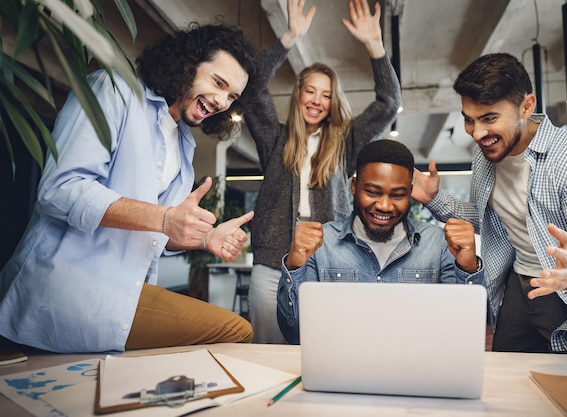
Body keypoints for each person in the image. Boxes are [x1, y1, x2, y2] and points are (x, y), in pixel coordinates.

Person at [0, 24, 259, 353]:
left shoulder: (183, 145)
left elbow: (159, 235)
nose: (222, 101)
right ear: (186, 65)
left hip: (126, 293)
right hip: (68, 289)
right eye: (218, 83)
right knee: (237, 330)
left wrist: (205, 237)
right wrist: (165, 218)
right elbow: (60, 189)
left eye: (232, 96)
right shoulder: (112, 89)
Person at [412, 53, 567, 355]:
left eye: (489, 118)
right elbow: (491, 219)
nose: (478, 133)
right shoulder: (487, 155)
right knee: (507, 384)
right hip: (520, 283)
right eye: (469, 120)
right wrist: (434, 199)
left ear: (526, 106)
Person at [242, 0, 401, 343]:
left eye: (325, 95)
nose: (316, 100)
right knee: (268, 350)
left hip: (328, 262)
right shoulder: (275, 137)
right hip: (271, 264)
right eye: (310, 91)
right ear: (298, 94)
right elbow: (251, 88)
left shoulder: (346, 141)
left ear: (332, 102)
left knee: (328, 348)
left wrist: (375, 46)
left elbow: (388, 102)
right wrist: (288, 38)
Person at [277, 139, 485, 344]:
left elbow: (462, 334)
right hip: (344, 368)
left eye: (397, 195)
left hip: (416, 368)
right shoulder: (321, 244)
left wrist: (467, 268)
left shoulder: (439, 244)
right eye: (373, 192)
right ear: (354, 187)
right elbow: (296, 334)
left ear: (410, 193)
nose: (385, 206)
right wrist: (295, 267)